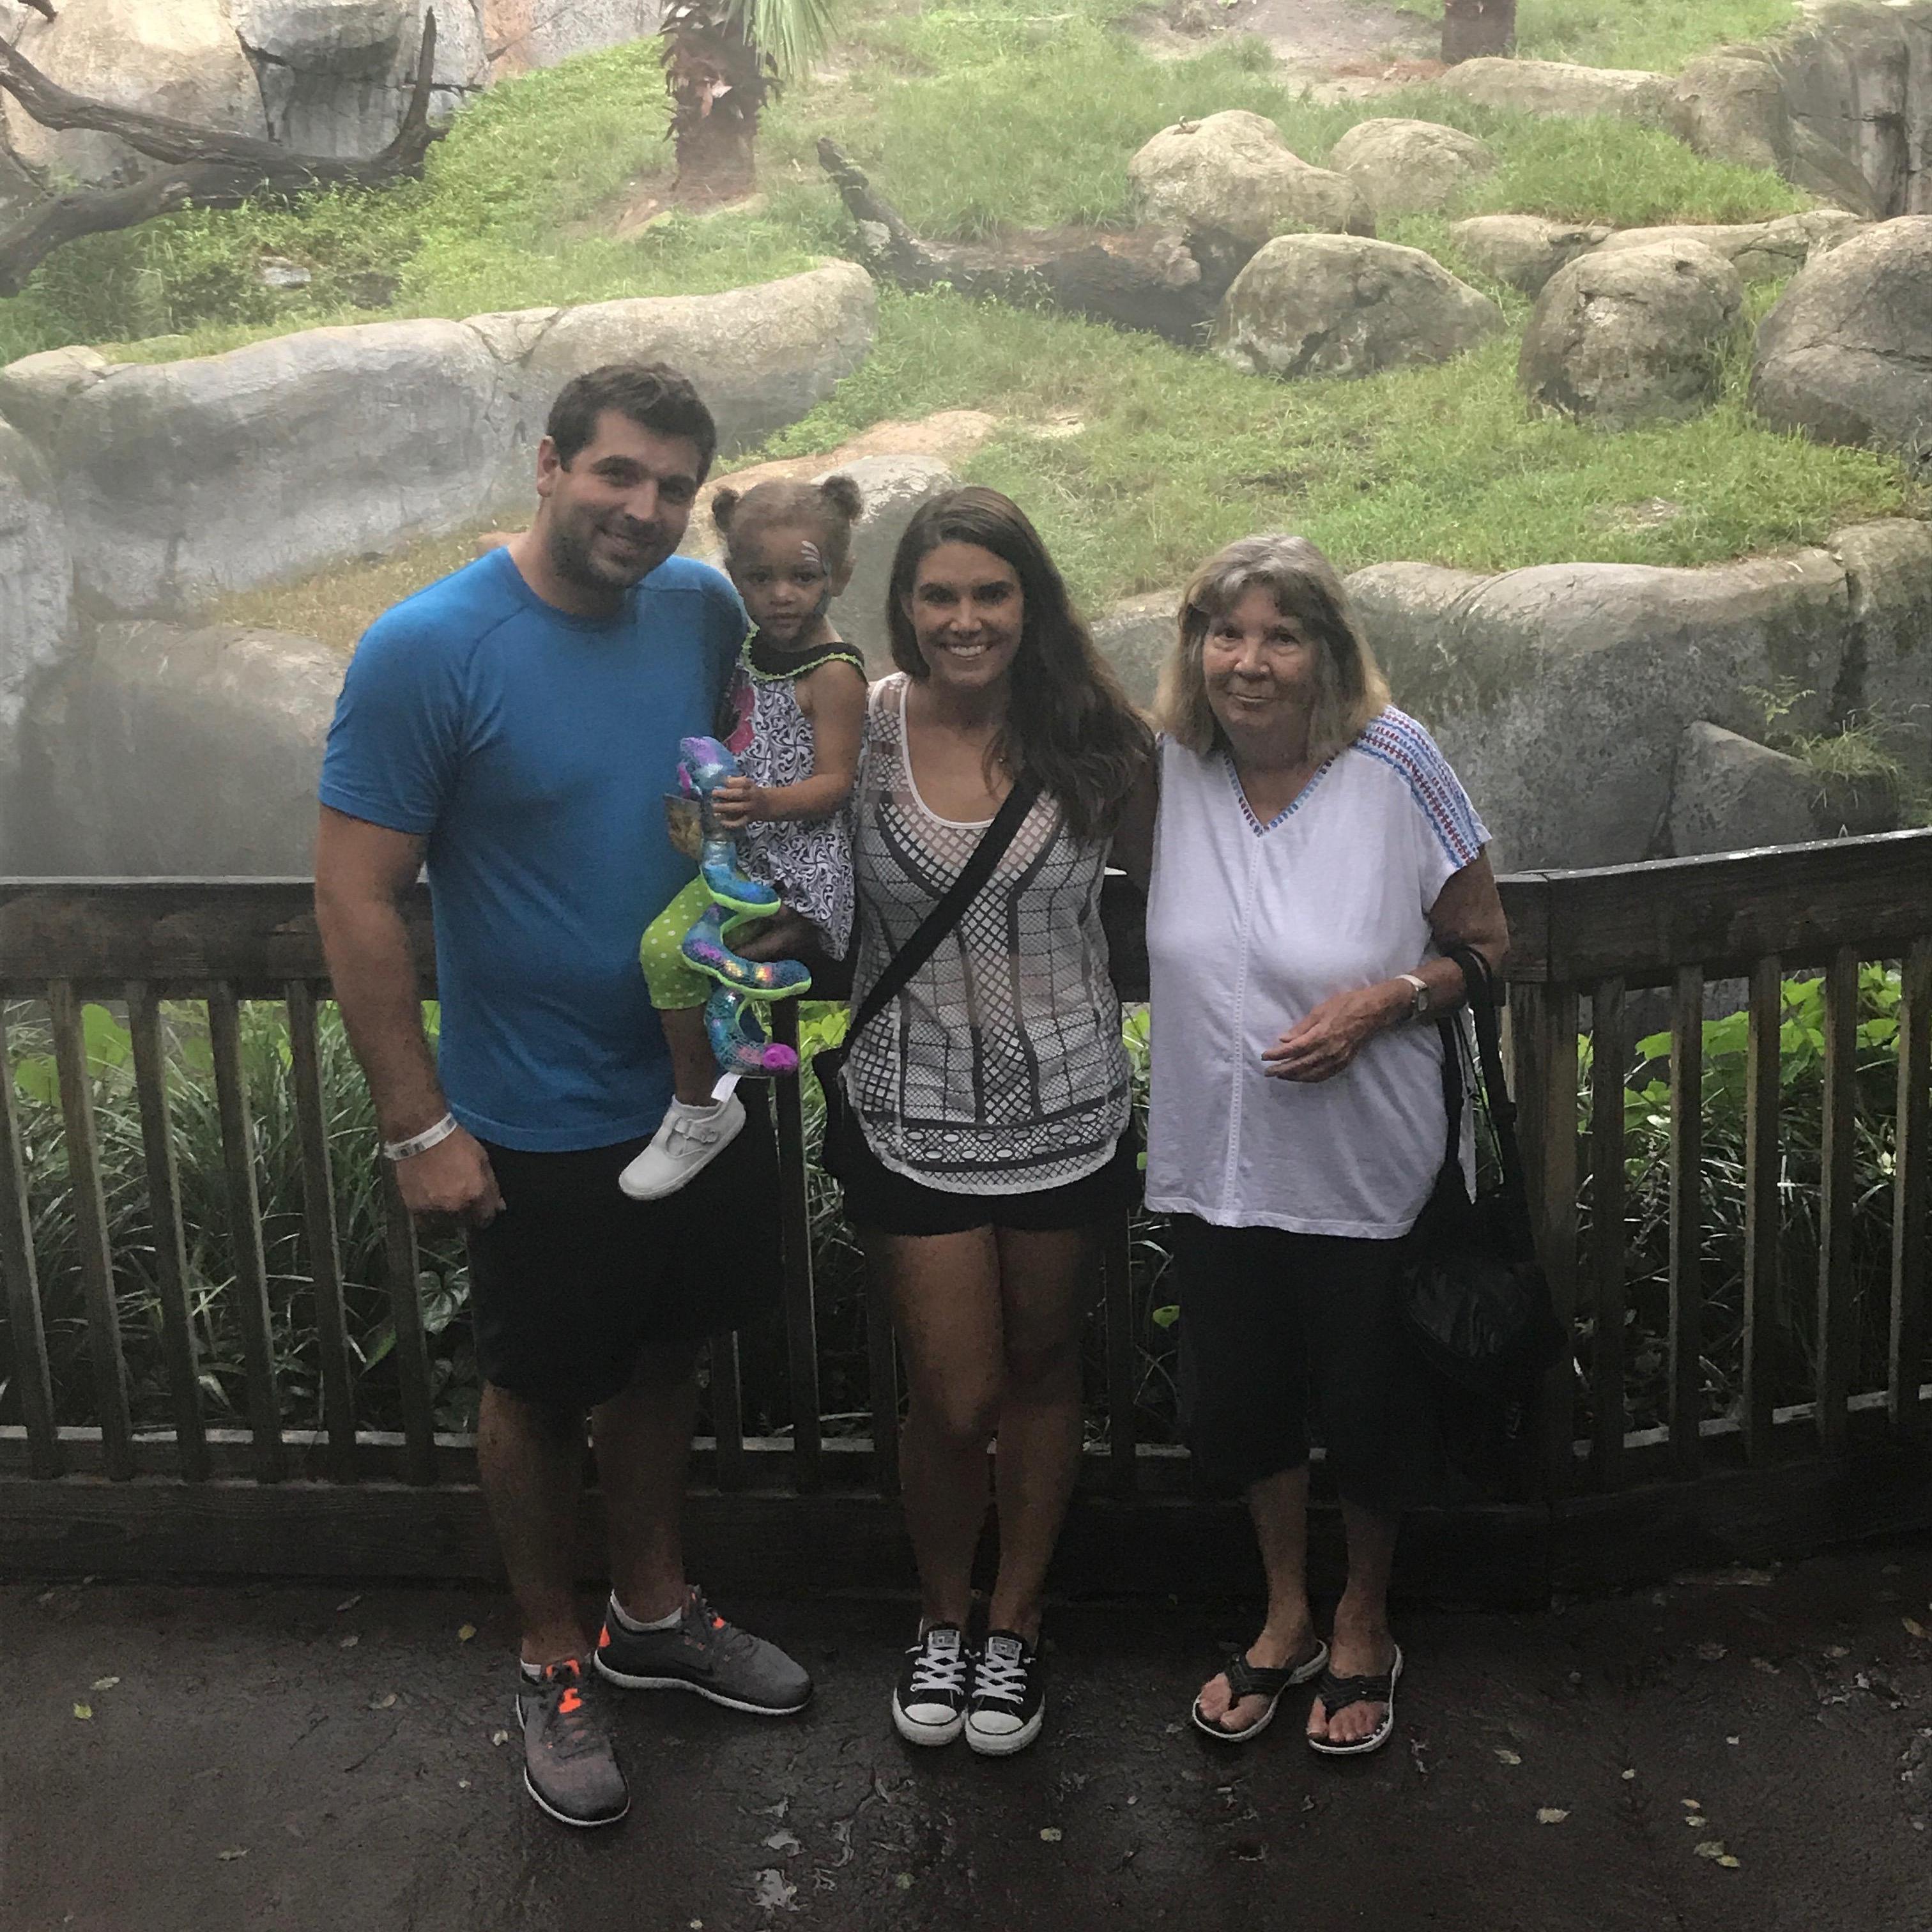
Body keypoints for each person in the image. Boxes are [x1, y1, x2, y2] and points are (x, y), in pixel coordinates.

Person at [314, 362, 812, 1832]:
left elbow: (740, 787)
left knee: (664, 1355)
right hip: (530, 1105)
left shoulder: (703, 612)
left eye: (669, 486)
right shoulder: (429, 647)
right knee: (535, 1387)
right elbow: (353, 896)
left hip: (694, 1082)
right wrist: (419, 1126)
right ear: (548, 465)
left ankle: (653, 1609)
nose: (642, 509)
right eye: (615, 475)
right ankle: (549, 1650)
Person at [1117, 533, 1508, 1757]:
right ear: (1193, 650)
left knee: (1369, 1398)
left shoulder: (1395, 759)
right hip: (1214, 1162)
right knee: (1245, 1402)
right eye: (1224, 634)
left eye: (1280, 634)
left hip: (1363, 1166)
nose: (1248, 661)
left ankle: (1362, 1613)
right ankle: (1282, 1609)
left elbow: (1487, 941)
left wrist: (1383, 996)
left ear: (1326, 651)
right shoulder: (1171, 766)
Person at [843, 487, 1152, 1757]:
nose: (964, 621)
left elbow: (1201, 866)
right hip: (910, 1109)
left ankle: (1012, 1627)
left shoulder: (1095, 734)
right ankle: (942, 1611)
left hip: (1073, 1107)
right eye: (939, 596)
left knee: (1040, 1371)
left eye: (990, 594)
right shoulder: (856, 733)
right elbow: (773, 863)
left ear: (1030, 603)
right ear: (906, 609)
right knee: (955, 1393)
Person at [624, 475, 870, 1199]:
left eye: (803, 575)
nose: (783, 594)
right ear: (735, 577)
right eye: (761, 578)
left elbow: (834, 784)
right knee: (689, 965)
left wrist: (761, 801)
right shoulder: (753, 649)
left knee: (666, 950)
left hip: (794, 875)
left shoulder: (834, 673)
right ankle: (718, 1081)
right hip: (746, 859)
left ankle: (700, 1111)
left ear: (840, 574)